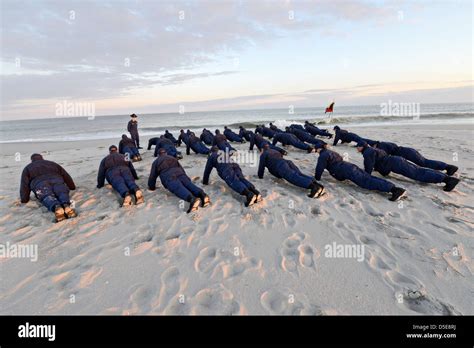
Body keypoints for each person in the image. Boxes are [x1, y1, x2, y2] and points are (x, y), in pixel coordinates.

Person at [356, 141, 459, 192]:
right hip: (396, 160)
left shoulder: (368, 152)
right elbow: (381, 163)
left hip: (396, 163)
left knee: (418, 174)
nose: (357, 149)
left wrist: (366, 176)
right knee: (419, 170)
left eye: (358, 147)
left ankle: (448, 180)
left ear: (362, 147)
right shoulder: (374, 150)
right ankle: (447, 178)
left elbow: (369, 165)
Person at [314, 145, 406, 201]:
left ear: (318, 149)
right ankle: (394, 188)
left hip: (346, 170)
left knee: (366, 182)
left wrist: (317, 178)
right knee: (368, 178)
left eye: (316, 149)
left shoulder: (323, 156)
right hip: (349, 166)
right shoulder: (330, 152)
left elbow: (319, 168)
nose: (316, 151)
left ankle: (395, 190)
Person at [148, 148, 211, 213]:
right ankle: (203, 195)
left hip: (169, 176)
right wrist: (187, 178)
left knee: (178, 188)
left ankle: (192, 199)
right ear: (166, 153)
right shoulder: (172, 158)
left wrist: (151, 187)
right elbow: (181, 168)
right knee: (189, 185)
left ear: (158, 155)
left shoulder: (156, 162)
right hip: (181, 174)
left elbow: (152, 176)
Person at [20, 153, 77, 222]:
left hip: (40, 184)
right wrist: (72, 187)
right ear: (42, 158)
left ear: (32, 160)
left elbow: (24, 185)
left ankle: (56, 207)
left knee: (46, 196)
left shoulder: (27, 168)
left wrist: (24, 199)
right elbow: (66, 175)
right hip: (57, 180)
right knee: (61, 192)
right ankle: (66, 204)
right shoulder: (52, 164)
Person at [258, 145, 324, 198]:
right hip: (287, 162)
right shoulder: (274, 150)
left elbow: (261, 166)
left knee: (293, 177)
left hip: (280, 165)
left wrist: (260, 176)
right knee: (299, 174)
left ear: (262, 149)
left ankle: (314, 187)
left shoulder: (264, 154)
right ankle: (316, 184)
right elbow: (280, 156)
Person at [371, 141, 458, 175]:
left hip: (407, 153)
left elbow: (384, 158)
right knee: (424, 163)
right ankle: (447, 167)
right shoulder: (382, 144)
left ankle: (448, 167)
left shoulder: (381, 146)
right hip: (408, 151)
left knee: (424, 163)